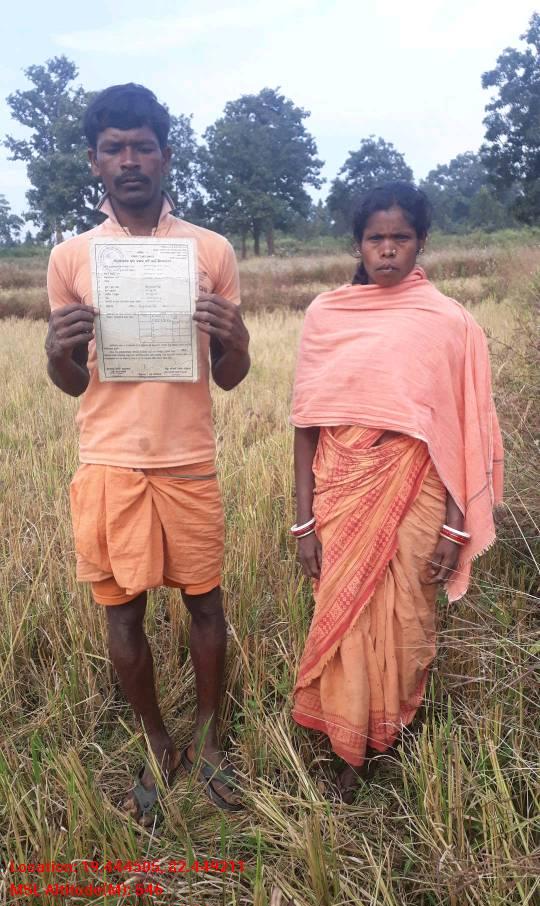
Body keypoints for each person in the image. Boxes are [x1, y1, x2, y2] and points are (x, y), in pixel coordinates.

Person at [45, 83, 250, 821]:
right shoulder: (71, 258)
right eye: (114, 149)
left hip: (188, 459)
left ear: (166, 155)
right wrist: (57, 351)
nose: (129, 160)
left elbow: (230, 376)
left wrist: (237, 336)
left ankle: (210, 740)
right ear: (95, 162)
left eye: (142, 147)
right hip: (109, 461)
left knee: (206, 606)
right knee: (122, 615)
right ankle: (157, 741)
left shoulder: (210, 250)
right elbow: (72, 383)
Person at [290, 182, 503, 802]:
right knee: (346, 614)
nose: (388, 250)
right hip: (341, 486)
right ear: (357, 244)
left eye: (400, 238)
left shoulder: (447, 322)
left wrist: (457, 525)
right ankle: (349, 747)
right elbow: (306, 424)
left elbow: (462, 431)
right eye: (375, 238)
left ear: (421, 241)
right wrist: (303, 523)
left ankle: (389, 729)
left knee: (408, 614)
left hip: (419, 489)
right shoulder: (326, 316)